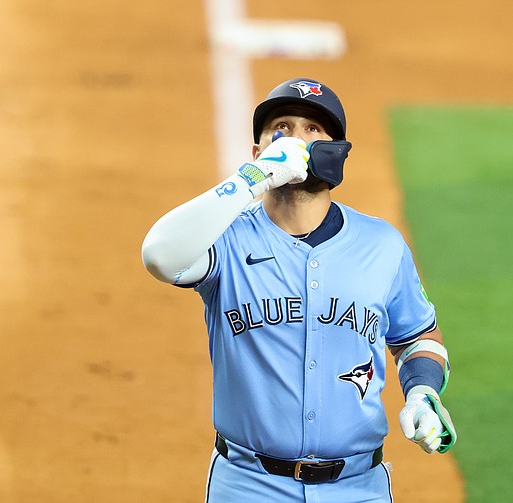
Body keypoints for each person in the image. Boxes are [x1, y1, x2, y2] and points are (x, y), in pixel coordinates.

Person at [141, 78, 456, 502]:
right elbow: (160, 256)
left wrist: (422, 392)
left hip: (358, 488)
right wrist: (251, 179)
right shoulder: (227, 240)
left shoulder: (382, 246)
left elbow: (416, 337)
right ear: (259, 153)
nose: (297, 140)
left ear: (338, 151)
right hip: (249, 486)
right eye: (282, 128)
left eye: (313, 130)